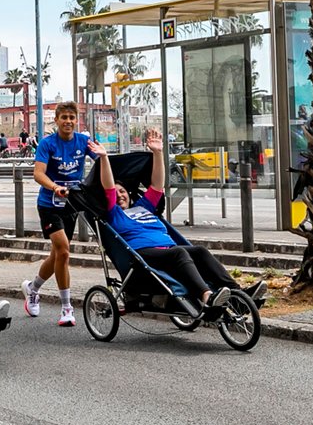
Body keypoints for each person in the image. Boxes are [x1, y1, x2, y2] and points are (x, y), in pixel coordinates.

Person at [95, 131, 256, 312]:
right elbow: (108, 187)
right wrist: (104, 158)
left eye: (122, 191)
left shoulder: (144, 207)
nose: (119, 196)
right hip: (142, 255)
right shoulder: (113, 213)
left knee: (200, 251)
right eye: (116, 193)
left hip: (169, 249)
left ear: (129, 194)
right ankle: (206, 296)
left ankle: (239, 296)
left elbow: (157, 184)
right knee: (180, 253)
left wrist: (157, 153)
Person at [23, 100, 90, 327]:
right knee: (64, 251)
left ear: (76, 121)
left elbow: (102, 161)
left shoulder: (83, 141)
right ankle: (67, 308)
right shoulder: (48, 144)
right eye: (64, 118)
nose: (68, 122)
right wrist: (54, 187)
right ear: (57, 120)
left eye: (72, 118)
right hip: (49, 204)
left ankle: (33, 289)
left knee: (58, 255)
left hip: (71, 204)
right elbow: (38, 174)